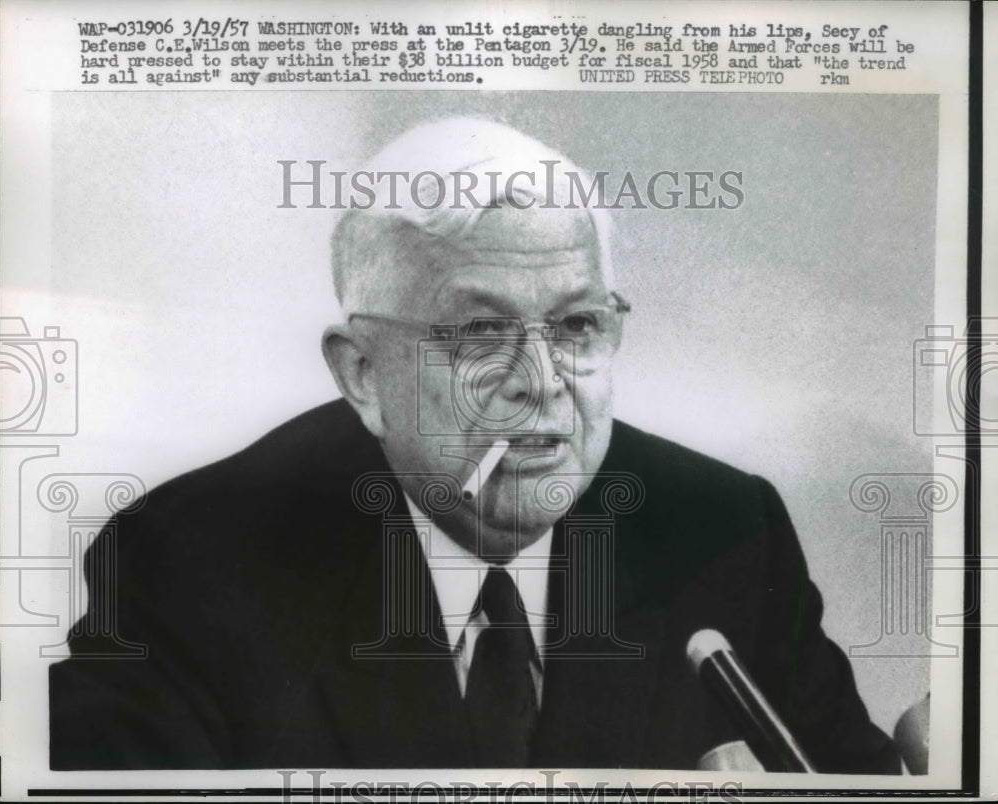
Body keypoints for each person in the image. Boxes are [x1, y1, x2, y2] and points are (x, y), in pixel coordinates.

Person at [49, 118, 900, 772]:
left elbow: (837, 771)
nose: (540, 379)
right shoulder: (188, 560)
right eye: (479, 332)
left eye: (576, 325)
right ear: (363, 376)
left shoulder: (724, 531)